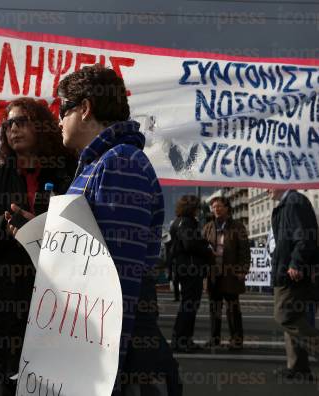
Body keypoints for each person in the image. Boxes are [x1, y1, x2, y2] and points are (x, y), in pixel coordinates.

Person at [54, 65, 181, 395]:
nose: (58, 120)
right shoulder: (102, 162)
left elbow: (116, 280)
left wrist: (102, 374)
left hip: (107, 358)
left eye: (61, 109)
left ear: (85, 109)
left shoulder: (120, 163)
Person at [0, 97, 76, 396]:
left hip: (56, 293)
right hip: (9, 297)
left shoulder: (68, 171)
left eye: (21, 121)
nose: (13, 129)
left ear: (41, 126)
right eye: (8, 124)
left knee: (54, 381)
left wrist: (43, 226)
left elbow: (84, 228)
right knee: (12, 380)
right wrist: (4, 226)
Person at [269, 188, 319, 383]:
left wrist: (296, 263)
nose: (266, 188)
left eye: (270, 183)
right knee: (294, 317)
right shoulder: (288, 203)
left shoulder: (295, 201)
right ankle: (299, 368)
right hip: (285, 268)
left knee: (284, 317)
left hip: (290, 271)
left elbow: (304, 236)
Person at [202, 196, 250, 350]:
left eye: (219, 206)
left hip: (231, 273)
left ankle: (236, 341)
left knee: (233, 309)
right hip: (213, 274)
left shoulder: (238, 227)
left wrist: (243, 269)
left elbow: (244, 250)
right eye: (214, 206)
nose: (216, 209)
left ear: (227, 208)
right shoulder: (208, 227)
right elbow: (202, 249)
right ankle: (214, 339)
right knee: (214, 308)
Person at [170, 195, 213, 353]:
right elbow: (189, 244)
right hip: (191, 268)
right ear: (192, 208)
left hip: (184, 267)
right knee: (189, 306)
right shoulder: (187, 222)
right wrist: (206, 248)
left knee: (187, 306)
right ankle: (182, 341)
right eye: (197, 207)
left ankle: (182, 339)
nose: (199, 211)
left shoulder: (178, 221)